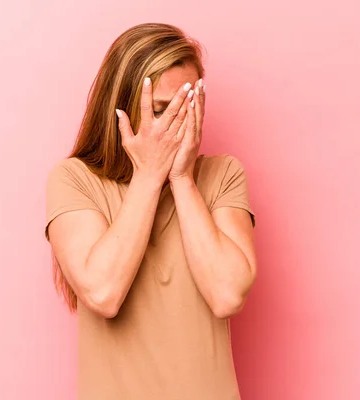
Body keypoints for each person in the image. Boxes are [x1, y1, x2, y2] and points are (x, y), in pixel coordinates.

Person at [45, 22, 257, 400]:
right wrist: (149, 175)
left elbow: (227, 295)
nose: (178, 125)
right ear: (122, 108)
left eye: (188, 107)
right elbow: (103, 292)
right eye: (162, 110)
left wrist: (182, 179)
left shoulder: (223, 174)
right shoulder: (73, 179)